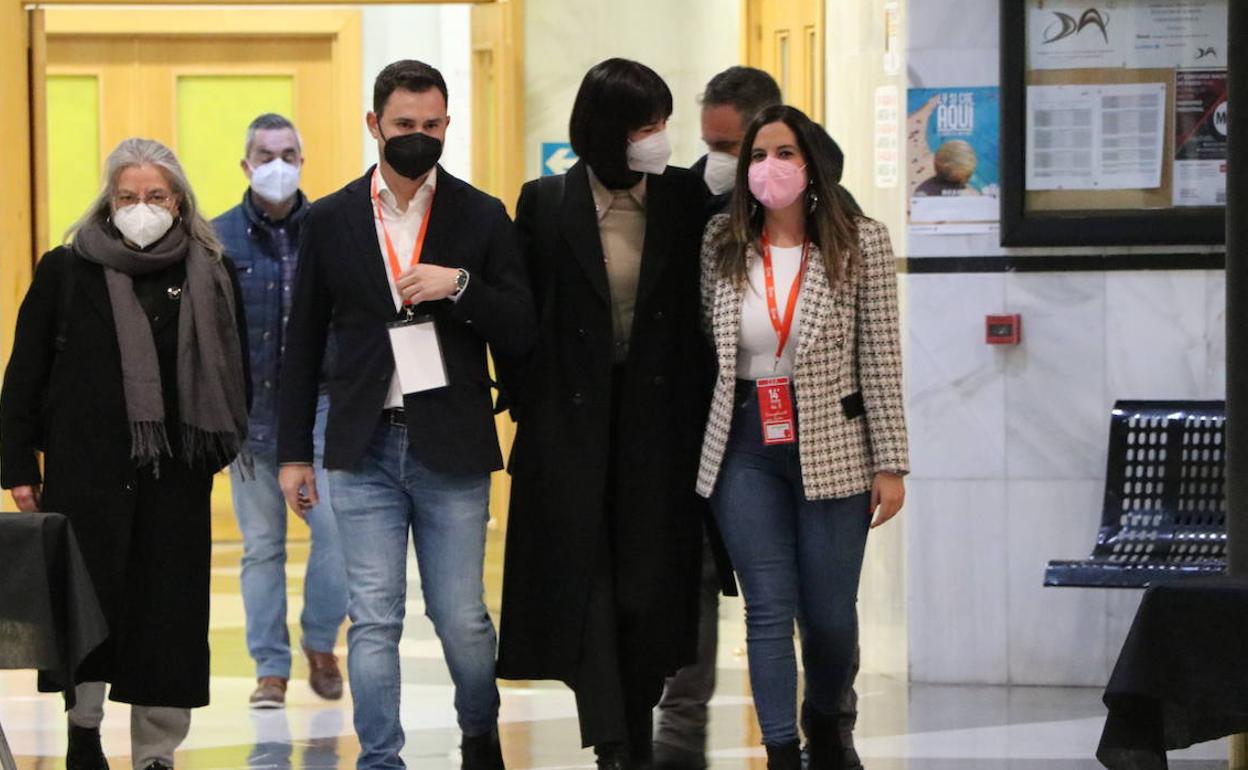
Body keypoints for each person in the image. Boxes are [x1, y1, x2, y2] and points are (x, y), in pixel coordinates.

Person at [276, 59, 534, 770]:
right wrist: (295, 452)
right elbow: (301, 347)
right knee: (374, 618)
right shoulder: (329, 220)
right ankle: (380, 758)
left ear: (447, 127)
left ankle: (478, 733)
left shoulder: (481, 215)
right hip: (362, 445)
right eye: (403, 126)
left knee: (461, 618)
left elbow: (520, 325)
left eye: (431, 125)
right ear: (374, 126)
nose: (417, 137)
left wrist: (461, 286)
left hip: (448, 442)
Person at [1, 137, 250, 770]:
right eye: (128, 196)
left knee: (167, 622)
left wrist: (209, 457)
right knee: (87, 611)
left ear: (181, 202)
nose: (143, 207)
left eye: (157, 196)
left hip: (175, 482)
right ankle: (83, 730)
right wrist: (18, 468)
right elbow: (23, 375)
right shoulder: (67, 269)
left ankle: (157, 753)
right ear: (109, 203)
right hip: (86, 475)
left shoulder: (212, 272)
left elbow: (236, 379)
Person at [495, 58, 711, 770]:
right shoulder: (547, 202)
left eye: (662, 123)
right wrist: (530, 402)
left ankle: (632, 729)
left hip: (660, 429)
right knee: (586, 586)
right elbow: (522, 318)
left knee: (648, 593)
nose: (659, 138)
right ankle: (617, 744)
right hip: (570, 429)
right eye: (646, 125)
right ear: (608, 129)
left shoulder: (685, 200)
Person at [697, 104, 909, 770]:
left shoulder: (859, 241)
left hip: (833, 438)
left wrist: (892, 462)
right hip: (745, 440)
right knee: (767, 606)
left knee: (829, 614)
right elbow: (711, 345)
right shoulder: (721, 241)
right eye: (758, 156)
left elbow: (880, 355)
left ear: (811, 163)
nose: (770, 168)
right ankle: (781, 751)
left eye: (784, 153)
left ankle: (827, 721)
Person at [653, 65, 781, 770]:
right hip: (695, 429)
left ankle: (806, 734)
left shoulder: (821, 211)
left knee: (781, 591)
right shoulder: (682, 201)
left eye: (730, 146)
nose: (715, 161)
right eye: (708, 144)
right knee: (691, 584)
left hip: (777, 432)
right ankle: (678, 746)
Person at [213, 113, 348, 709]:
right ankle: (270, 668)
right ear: (245, 165)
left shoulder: (330, 231)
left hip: (321, 412)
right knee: (261, 548)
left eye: (288, 153)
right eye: (265, 155)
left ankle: (320, 641)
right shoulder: (215, 240)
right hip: (250, 420)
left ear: (302, 161)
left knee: (337, 533)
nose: (277, 165)